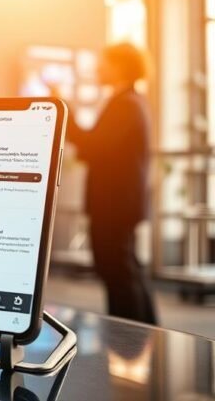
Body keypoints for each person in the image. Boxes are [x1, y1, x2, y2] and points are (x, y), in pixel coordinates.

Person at [63, 42, 157, 324]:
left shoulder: (125, 104)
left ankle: (131, 336)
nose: (98, 68)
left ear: (119, 65)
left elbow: (94, 147)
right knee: (123, 268)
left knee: (117, 270)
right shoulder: (129, 101)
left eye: (104, 62)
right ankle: (144, 332)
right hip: (118, 201)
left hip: (115, 202)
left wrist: (65, 111)